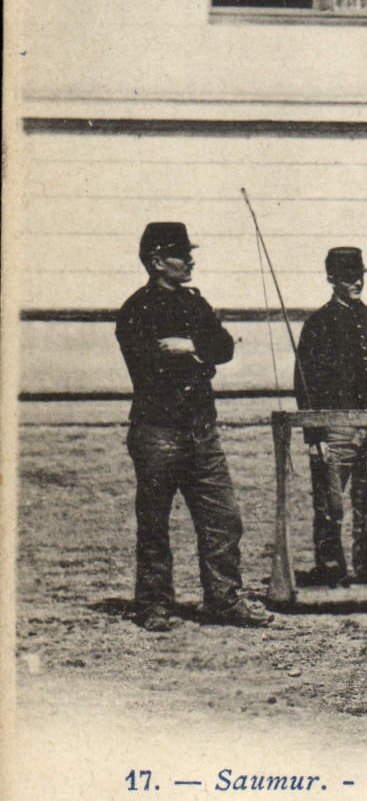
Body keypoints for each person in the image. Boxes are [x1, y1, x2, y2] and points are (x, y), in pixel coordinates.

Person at [116, 222, 271, 631]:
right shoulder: (135, 310)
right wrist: (202, 356)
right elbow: (151, 369)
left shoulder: (195, 303)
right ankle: (154, 605)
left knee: (223, 517)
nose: (190, 261)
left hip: (202, 430)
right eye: (181, 255)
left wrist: (192, 349)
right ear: (156, 261)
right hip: (157, 432)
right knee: (155, 522)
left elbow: (223, 347)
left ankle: (224, 600)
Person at [294, 246, 367, 585]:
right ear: (331, 279)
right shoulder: (316, 325)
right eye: (347, 277)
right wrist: (314, 437)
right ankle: (331, 569)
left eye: (360, 275)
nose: (356, 282)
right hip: (334, 431)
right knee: (330, 506)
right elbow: (303, 385)